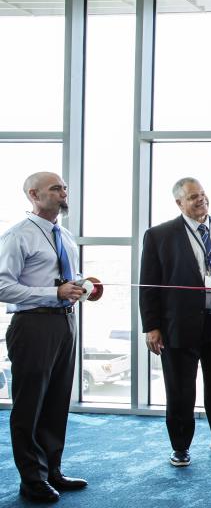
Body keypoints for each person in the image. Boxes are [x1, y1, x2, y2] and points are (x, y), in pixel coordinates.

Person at [140, 177, 211, 469]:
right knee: (181, 390)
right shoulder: (159, 235)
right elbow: (149, 285)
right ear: (179, 203)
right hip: (179, 326)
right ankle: (181, 447)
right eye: (194, 197)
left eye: (203, 194)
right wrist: (152, 326)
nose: (201, 200)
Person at [0, 172, 88, 502]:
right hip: (32, 326)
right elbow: (2, 286)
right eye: (56, 188)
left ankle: (52, 469)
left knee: (56, 401)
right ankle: (31, 479)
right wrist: (53, 292)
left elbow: (67, 279)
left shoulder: (63, 234)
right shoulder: (18, 235)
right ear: (34, 195)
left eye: (64, 187)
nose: (64, 192)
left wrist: (82, 285)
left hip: (65, 323)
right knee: (30, 405)